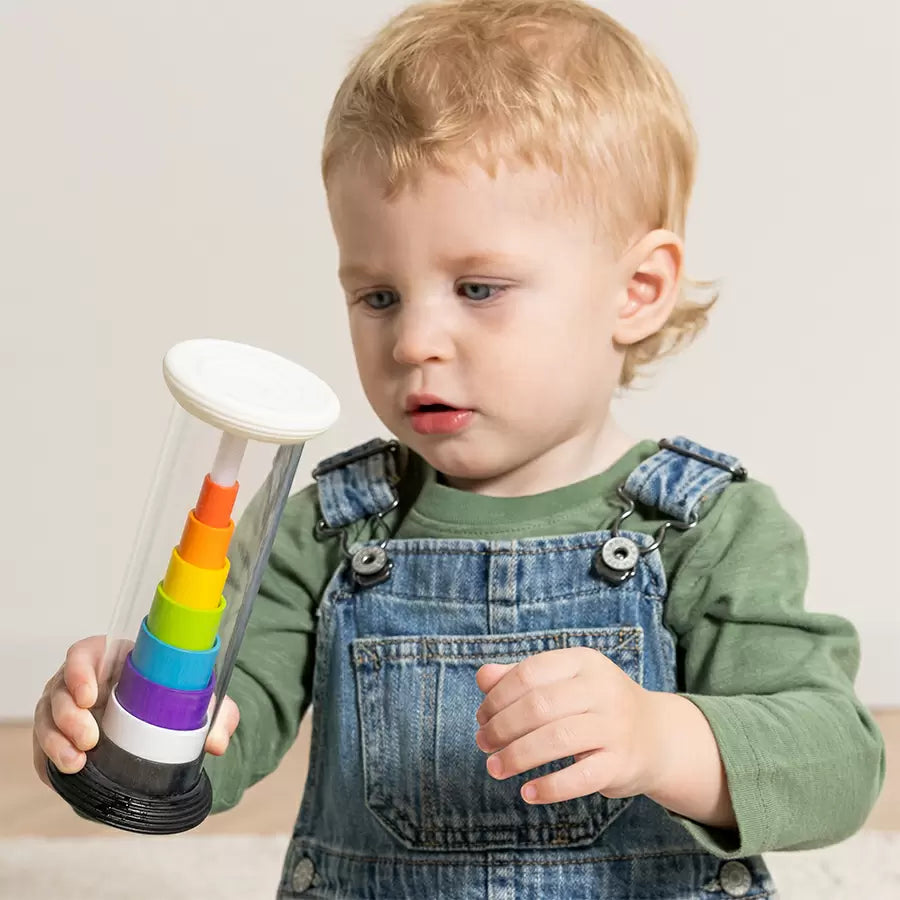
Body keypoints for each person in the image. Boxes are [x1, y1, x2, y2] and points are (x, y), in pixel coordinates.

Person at [32, 1, 885, 897]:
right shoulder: (325, 531)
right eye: (379, 297)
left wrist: (665, 739)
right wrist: (122, 726)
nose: (413, 342)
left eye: (478, 288)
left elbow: (837, 764)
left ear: (637, 289)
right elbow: (223, 731)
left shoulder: (710, 529)